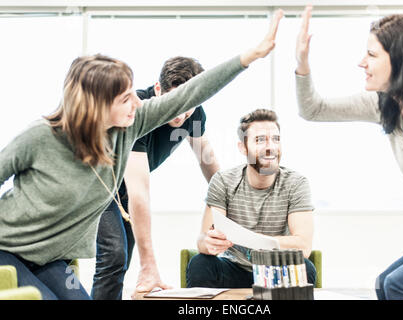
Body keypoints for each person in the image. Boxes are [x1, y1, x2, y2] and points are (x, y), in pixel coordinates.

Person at [0, 9, 284, 300]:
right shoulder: (40, 137)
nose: (138, 101)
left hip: (51, 260)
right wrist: (149, 263)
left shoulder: (130, 124)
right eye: (126, 97)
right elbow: (139, 192)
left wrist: (248, 57)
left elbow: (190, 95)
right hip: (7, 250)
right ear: (96, 105)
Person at [295, 6, 403, 299]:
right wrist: (302, 64)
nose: (361, 62)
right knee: (384, 283)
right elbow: (313, 109)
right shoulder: (384, 105)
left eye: (372, 55)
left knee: (401, 285)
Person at [91, 56, 220, 300]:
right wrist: (149, 265)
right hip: (99, 185)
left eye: (189, 104)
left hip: (124, 190)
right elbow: (139, 191)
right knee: (114, 255)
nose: (182, 113)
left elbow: (206, 158)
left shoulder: (194, 113)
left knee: (121, 260)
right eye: (175, 102)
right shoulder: (137, 112)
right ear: (158, 90)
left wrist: (230, 200)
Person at [186, 108, 316, 288]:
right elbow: (202, 239)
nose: (270, 147)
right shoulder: (223, 181)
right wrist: (209, 243)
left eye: (276, 139)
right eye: (260, 140)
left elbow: (303, 247)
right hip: (233, 267)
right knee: (200, 264)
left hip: (275, 269)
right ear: (243, 147)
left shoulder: (296, 183)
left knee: (305, 268)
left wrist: (253, 240)